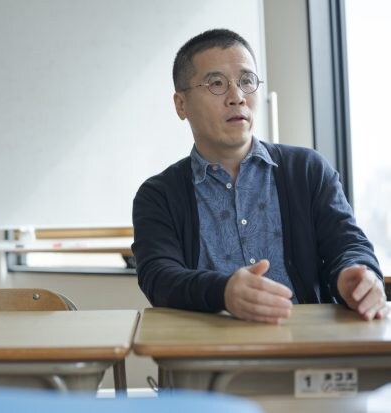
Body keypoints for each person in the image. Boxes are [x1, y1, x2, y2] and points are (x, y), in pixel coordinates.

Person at [132, 28, 388, 324]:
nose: (237, 97)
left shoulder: (307, 170)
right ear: (181, 104)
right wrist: (224, 292)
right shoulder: (159, 195)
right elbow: (159, 277)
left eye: (246, 81)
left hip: (307, 341)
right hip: (209, 346)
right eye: (217, 83)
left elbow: (348, 245)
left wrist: (355, 275)